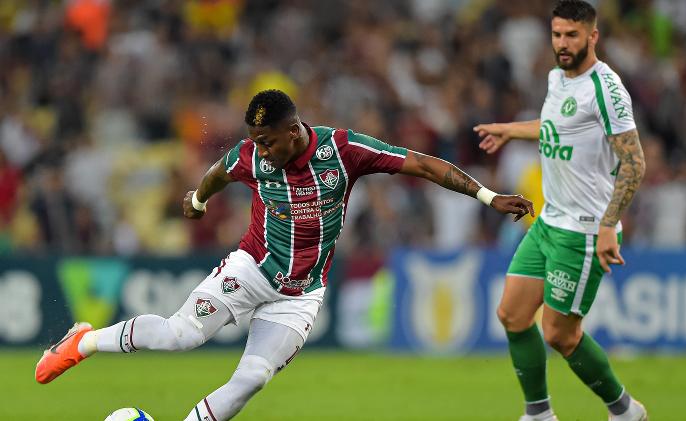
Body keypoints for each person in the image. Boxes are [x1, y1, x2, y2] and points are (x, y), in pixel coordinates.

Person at [35, 89, 534, 420]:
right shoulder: (251, 155)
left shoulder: (343, 151)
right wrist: (198, 200)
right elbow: (218, 172)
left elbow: (421, 164)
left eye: (268, 141)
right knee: (178, 335)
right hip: (250, 269)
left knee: (252, 378)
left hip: (300, 294)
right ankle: (84, 341)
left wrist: (488, 196)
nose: (260, 151)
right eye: (255, 141)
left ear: (293, 131)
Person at [473, 1, 647, 421]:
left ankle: (626, 411)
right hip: (550, 221)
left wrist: (608, 226)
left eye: (572, 35)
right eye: (557, 35)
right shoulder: (557, 78)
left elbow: (635, 161)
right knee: (513, 314)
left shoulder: (605, 89)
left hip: (584, 229)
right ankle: (539, 414)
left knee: (560, 334)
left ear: (593, 36)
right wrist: (511, 130)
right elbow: (556, 127)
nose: (563, 43)